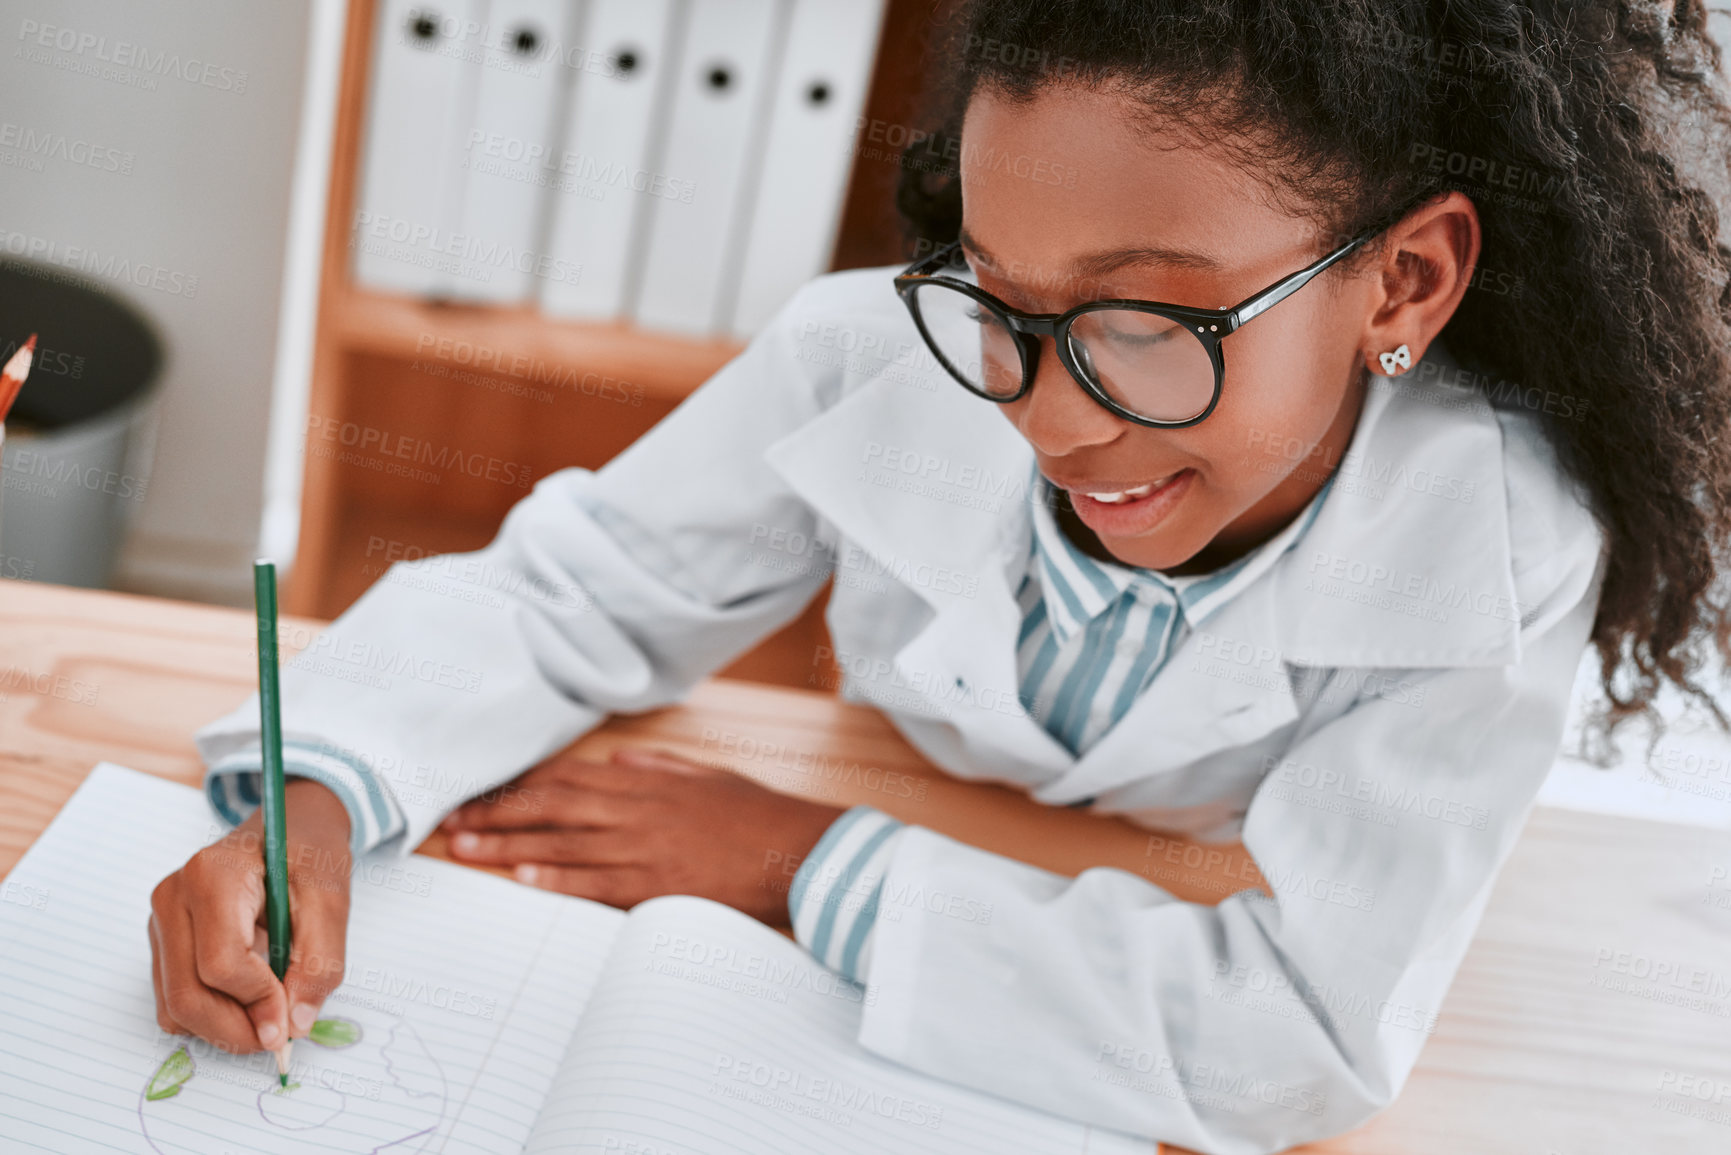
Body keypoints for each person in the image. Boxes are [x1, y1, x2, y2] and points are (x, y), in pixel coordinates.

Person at [146, 1, 1731, 1149]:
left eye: (1144, 326)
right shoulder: (866, 358)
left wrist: (799, 864)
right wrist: (319, 796)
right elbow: (579, 589)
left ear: (1407, 279)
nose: (1048, 413)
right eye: (998, 298)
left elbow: (1300, 1035)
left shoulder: (1496, 544)